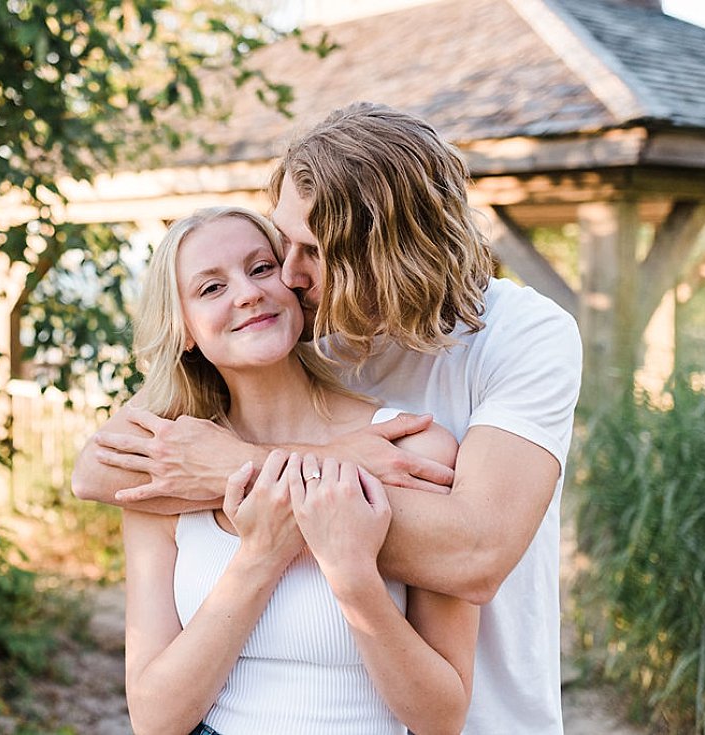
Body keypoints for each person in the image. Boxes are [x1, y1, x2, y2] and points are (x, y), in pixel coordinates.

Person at [73, 102, 583, 734]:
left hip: (492, 713)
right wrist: (330, 467)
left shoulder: (522, 335)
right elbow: (97, 474)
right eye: (282, 245)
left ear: (384, 250)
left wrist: (265, 472)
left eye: (307, 251)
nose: (284, 275)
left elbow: (476, 555)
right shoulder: (311, 320)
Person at [123, 204, 478, 735]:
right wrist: (261, 556)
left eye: (261, 268)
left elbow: (443, 718)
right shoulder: (170, 468)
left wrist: (353, 576)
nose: (247, 293)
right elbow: (154, 719)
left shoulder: (409, 449)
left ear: (295, 285)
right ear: (186, 331)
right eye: (211, 288)